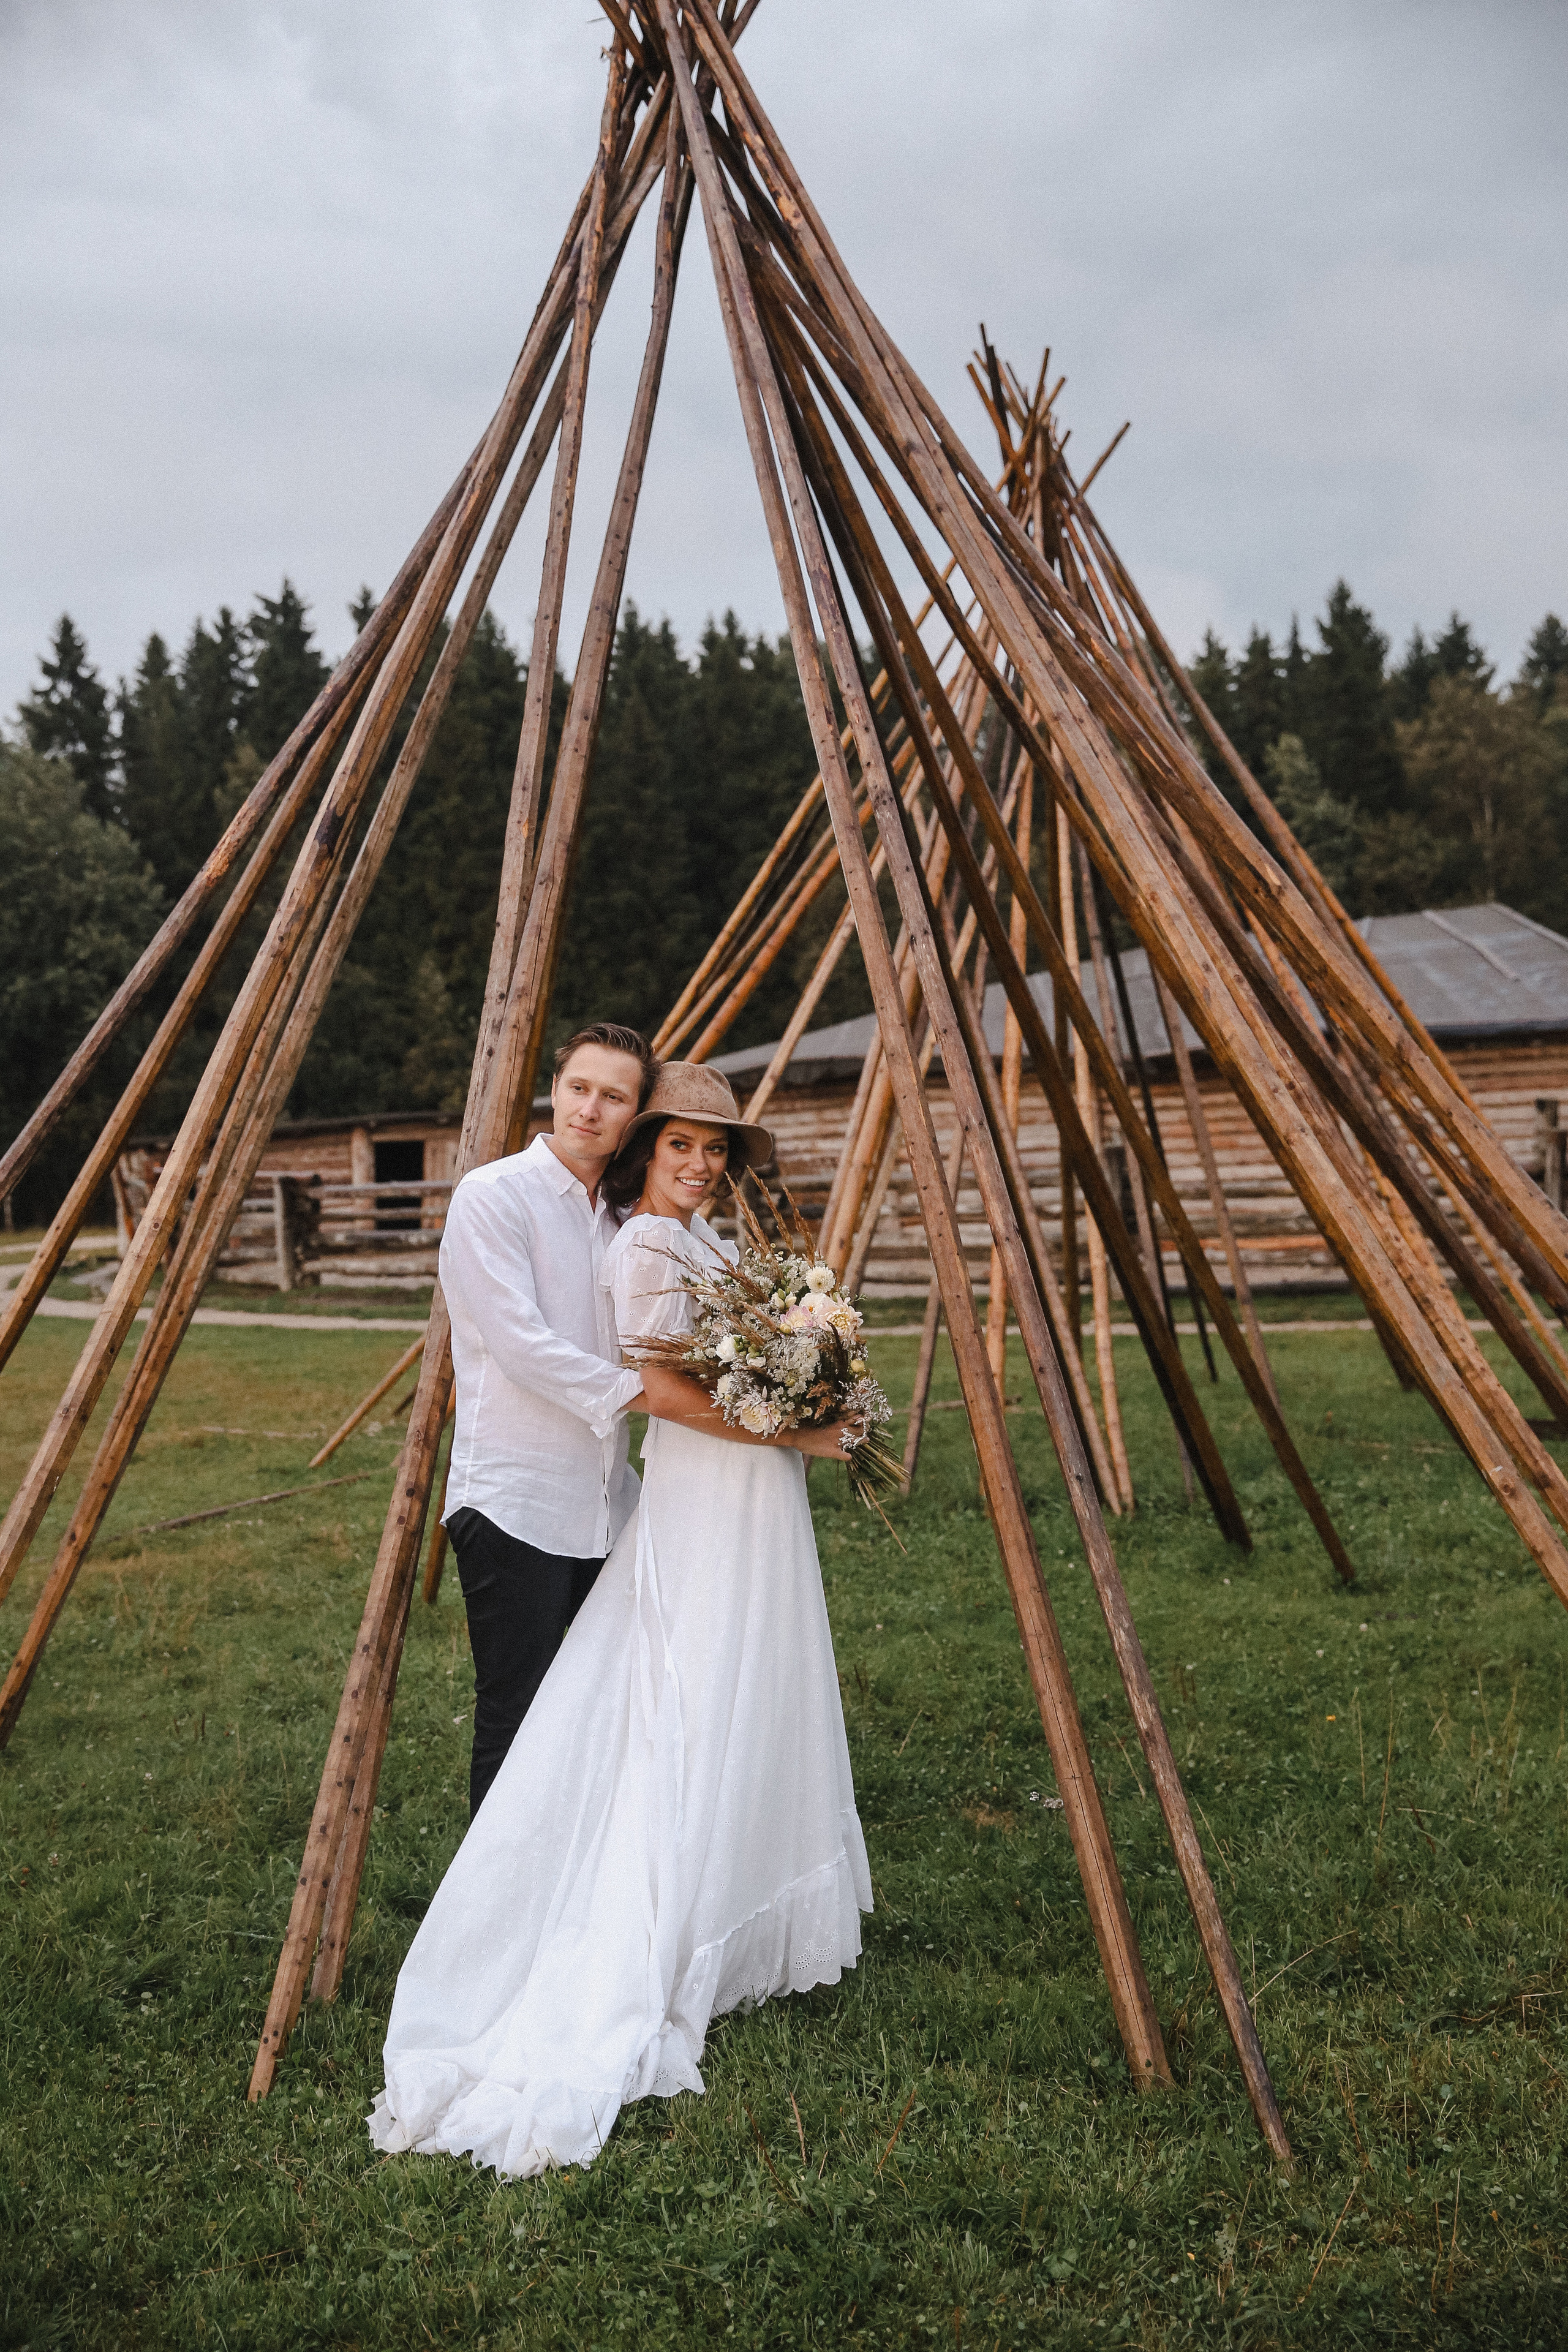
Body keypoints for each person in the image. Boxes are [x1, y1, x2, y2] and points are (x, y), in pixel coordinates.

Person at [370, 1063, 871, 2178]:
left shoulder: (703, 1243)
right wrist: (799, 1429)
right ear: (646, 1147)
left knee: (732, 1678)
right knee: (644, 1693)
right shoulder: (621, 1238)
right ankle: (534, 1906)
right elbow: (654, 1383)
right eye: (678, 1144)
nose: (696, 1164)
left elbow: (723, 1368)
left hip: (668, 1493)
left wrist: (808, 1366)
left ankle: (723, 1880)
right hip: (569, 1488)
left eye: (713, 1149)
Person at [439, 1020, 656, 1819]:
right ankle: (487, 1922)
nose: (590, 1109)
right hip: (515, 1501)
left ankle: (573, 1885)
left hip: (610, 1504)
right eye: (579, 1088)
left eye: (614, 1097)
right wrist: (651, 1395)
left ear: (636, 1115)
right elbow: (523, 1347)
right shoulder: (495, 1196)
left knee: (605, 1705)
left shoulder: (629, 1219)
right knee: (516, 1715)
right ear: (555, 1090)